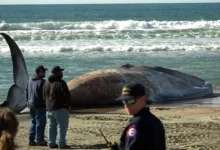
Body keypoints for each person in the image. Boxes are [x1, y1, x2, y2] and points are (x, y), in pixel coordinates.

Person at [114, 83, 166, 150]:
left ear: (144, 99)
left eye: (131, 101)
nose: (126, 105)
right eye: (124, 101)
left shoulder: (137, 123)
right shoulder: (155, 121)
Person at [43, 66, 71, 149]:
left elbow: (44, 96)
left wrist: (47, 105)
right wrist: (68, 105)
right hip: (60, 108)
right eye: (60, 71)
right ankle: (62, 144)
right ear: (57, 73)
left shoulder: (46, 83)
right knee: (62, 126)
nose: (62, 73)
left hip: (49, 109)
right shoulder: (61, 82)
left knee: (51, 126)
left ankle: (51, 143)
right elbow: (66, 95)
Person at [27, 65, 48, 146]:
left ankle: (31, 140)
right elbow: (45, 94)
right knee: (40, 123)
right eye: (43, 71)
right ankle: (40, 140)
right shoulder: (42, 82)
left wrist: (27, 101)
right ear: (40, 72)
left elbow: (27, 91)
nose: (45, 72)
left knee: (33, 122)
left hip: (30, 104)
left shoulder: (30, 80)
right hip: (39, 105)